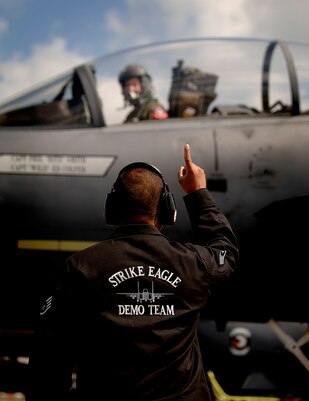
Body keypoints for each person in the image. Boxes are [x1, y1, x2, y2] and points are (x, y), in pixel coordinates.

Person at [27, 144, 239, 401]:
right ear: (166, 211)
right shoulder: (193, 263)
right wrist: (198, 194)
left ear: (111, 209)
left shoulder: (80, 268)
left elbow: (49, 362)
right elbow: (224, 253)